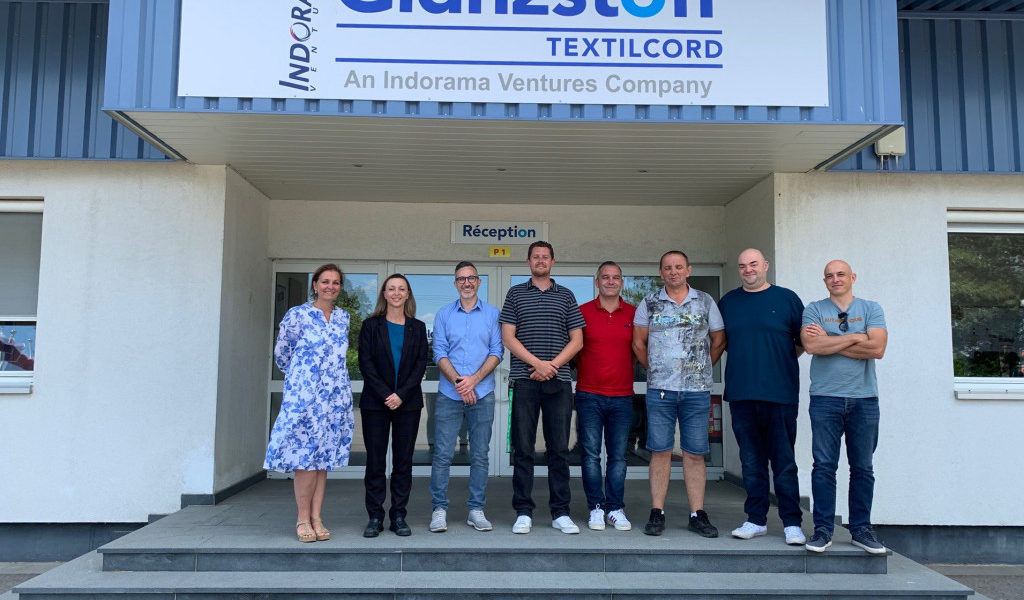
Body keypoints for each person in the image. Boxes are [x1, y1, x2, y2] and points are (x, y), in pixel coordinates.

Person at [633, 250, 725, 538]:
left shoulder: (705, 301)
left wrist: (700, 368)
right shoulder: (649, 302)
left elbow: (719, 340)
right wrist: (655, 370)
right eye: (668, 268)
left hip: (696, 391)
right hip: (660, 390)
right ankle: (657, 512)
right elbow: (638, 344)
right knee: (660, 451)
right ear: (661, 272)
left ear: (688, 270)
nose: (673, 272)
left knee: (694, 453)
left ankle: (697, 514)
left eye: (678, 267)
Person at [718, 249, 806, 545]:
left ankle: (792, 523)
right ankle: (755, 520)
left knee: (784, 462)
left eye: (753, 264)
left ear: (765, 266)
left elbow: (801, 343)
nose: (748, 270)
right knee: (751, 462)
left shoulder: (787, 299)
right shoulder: (728, 302)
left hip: (780, 394)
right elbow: (723, 342)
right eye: (742, 265)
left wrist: (775, 361)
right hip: (742, 393)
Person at [801, 260, 888, 554]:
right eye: (829, 275)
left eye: (841, 274)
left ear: (853, 277)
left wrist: (830, 340)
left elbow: (877, 348)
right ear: (824, 280)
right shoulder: (814, 309)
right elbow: (812, 347)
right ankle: (823, 530)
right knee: (824, 466)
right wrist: (854, 337)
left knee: (862, 467)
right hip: (825, 398)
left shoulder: (871, 308)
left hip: (865, 399)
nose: (835, 279)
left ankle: (861, 530)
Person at [264, 264, 355, 543]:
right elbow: (283, 354)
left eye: (336, 282)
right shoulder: (298, 314)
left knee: (323, 459)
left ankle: (317, 517)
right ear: (315, 285)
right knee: (304, 458)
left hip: (334, 397)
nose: (330, 286)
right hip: (304, 397)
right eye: (325, 281)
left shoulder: (343, 317)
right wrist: (302, 380)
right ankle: (302, 518)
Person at [500, 241, 585, 534]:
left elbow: (577, 340)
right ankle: (523, 511)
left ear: (552, 261)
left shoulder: (566, 295)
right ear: (528, 262)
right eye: (535, 257)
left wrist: (552, 366)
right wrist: (537, 364)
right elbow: (508, 338)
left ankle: (560, 512)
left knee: (558, 449)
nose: (540, 260)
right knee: (523, 449)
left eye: (545, 257)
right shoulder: (515, 294)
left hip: (558, 383)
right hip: (524, 381)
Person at [429, 261, 503, 533]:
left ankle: (476, 509)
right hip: (450, 394)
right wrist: (461, 383)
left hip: (482, 393)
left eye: (471, 278)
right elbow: (439, 352)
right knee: (442, 454)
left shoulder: (493, 314)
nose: (467, 282)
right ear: (455, 283)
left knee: (480, 455)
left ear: (479, 282)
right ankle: (439, 509)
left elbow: (497, 351)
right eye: (461, 278)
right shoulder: (444, 314)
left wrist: (473, 381)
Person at [358, 274, 428, 538]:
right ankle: (375, 516)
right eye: (391, 289)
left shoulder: (418, 327)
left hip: (408, 404)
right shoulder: (370, 326)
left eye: (401, 289)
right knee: (375, 462)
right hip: (375, 404)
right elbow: (366, 363)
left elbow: (420, 364)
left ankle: (399, 515)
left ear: (408, 294)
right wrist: (387, 394)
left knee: (403, 462)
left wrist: (401, 394)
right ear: (384, 294)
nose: (396, 293)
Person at [575, 261, 636, 531]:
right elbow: (573, 351)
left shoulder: (635, 314)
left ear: (622, 282)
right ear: (596, 282)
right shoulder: (582, 312)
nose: (610, 281)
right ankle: (596, 508)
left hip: (622, 396)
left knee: (618, 457)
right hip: (589, 395)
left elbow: (641, 349)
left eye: (615, 277)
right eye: (605, 277)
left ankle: (615, 508)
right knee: (590, 456)